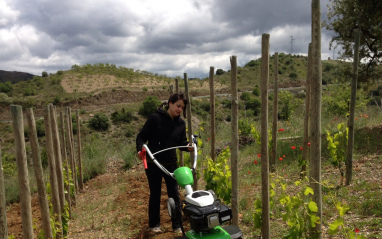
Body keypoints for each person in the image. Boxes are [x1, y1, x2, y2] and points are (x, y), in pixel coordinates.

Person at [136, 93, 194, 234]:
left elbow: (181, 143)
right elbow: (141, 137)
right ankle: (154, 225)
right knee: (155, 193)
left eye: (182, 107)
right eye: (178, 106)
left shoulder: (181, 124)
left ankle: (177, 226)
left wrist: (188, 146)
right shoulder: (155, 118)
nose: (180, 109)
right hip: (154, 162)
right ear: (170, 103)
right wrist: (141, 149)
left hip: (171, 163)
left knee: (174, 193)